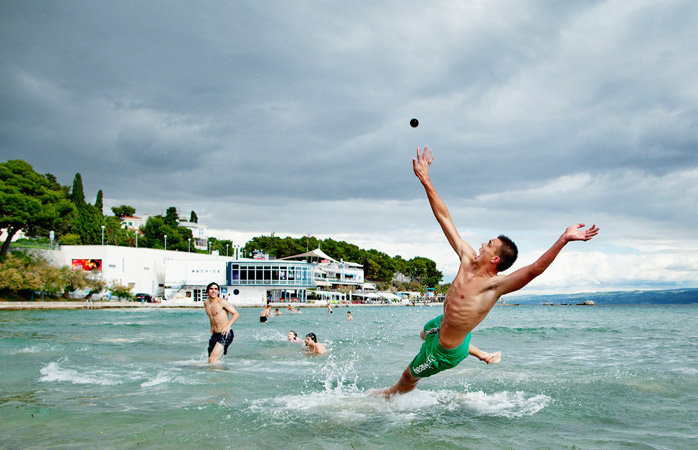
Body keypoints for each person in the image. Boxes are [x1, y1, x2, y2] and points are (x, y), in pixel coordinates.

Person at [369, 147, 599, 397]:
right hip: (443, 324)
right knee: (425, 332)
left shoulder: (494, 287)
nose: (481, 244)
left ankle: (387, 400)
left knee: (408, 376)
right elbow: (444, 218)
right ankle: (482, 354)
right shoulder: (467, 258)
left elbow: (534, 270)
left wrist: (563, 239)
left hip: (444, 351)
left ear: (495, 259)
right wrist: (425, 179)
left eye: (488, 244)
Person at [203, 282, 240, 364]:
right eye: (211, 289)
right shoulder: (206, 303)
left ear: (218, 292)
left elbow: (236, 314)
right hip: (215, 334)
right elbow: (211, 317)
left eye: (216, 289)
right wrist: (212, 327)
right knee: (211, 359)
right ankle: (220, 374)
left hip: (225, 333)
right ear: (207, 291)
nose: (213, 291)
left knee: (212, 359)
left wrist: (228, 326)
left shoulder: (222, 302)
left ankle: (215, 376)